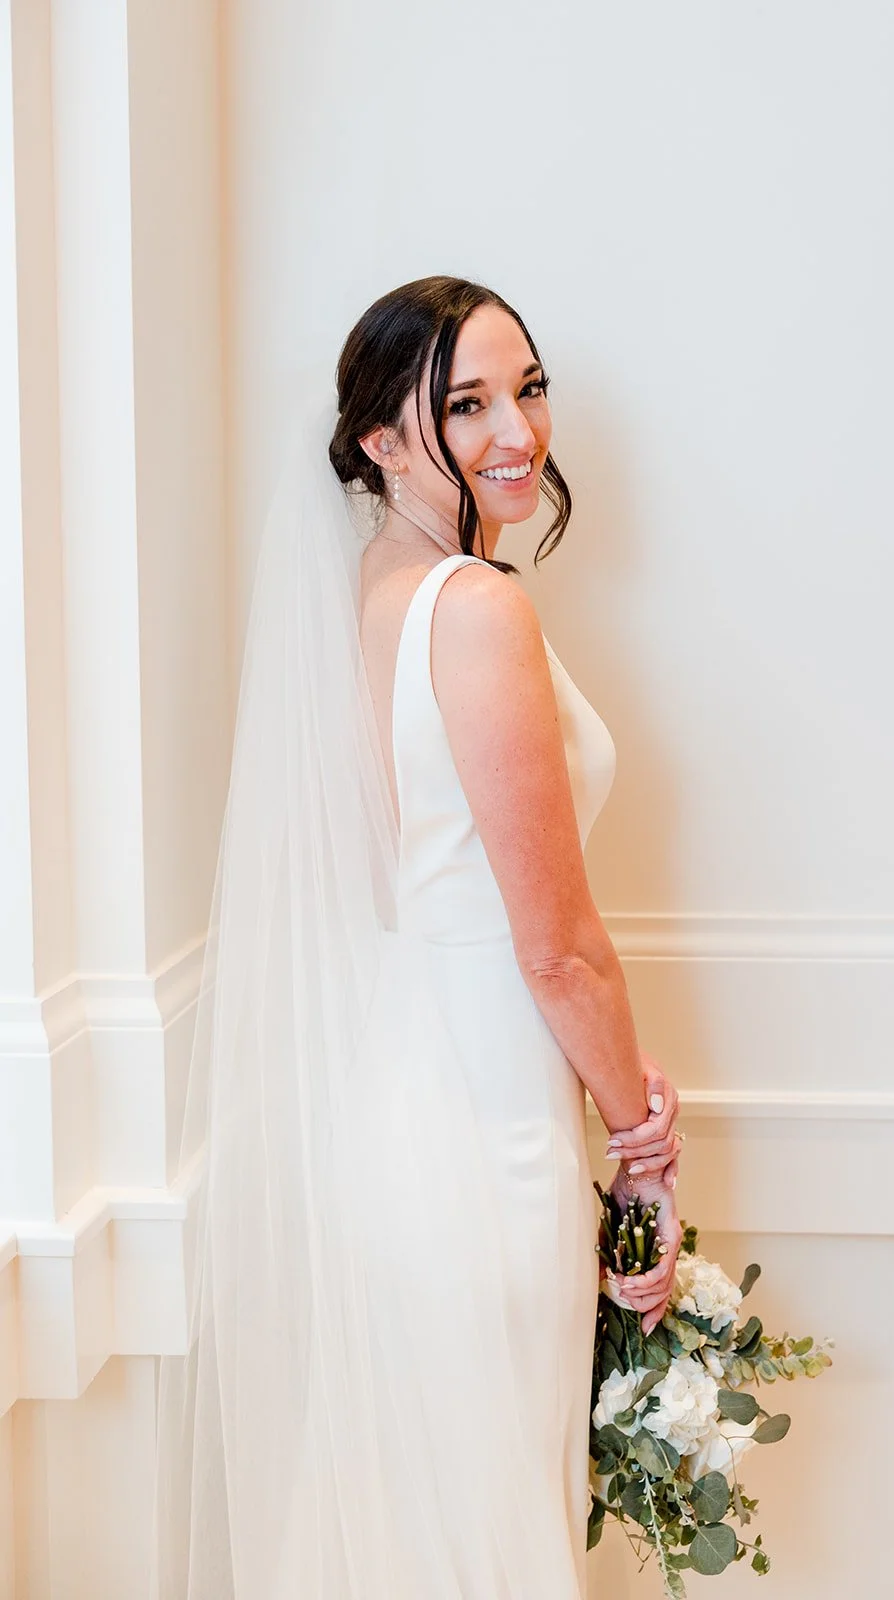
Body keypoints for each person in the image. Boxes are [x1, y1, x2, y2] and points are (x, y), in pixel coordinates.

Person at [150, 275, 685, 1599]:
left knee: (413, 1517)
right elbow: (554, 943)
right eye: (466, 404)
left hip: (391, 1103)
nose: (518, 431)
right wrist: (640, 1148)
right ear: (382, 442)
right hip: (484, 1123)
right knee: (486, 1522)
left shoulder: (367, 592)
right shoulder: (477, 609)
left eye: (529, 388)